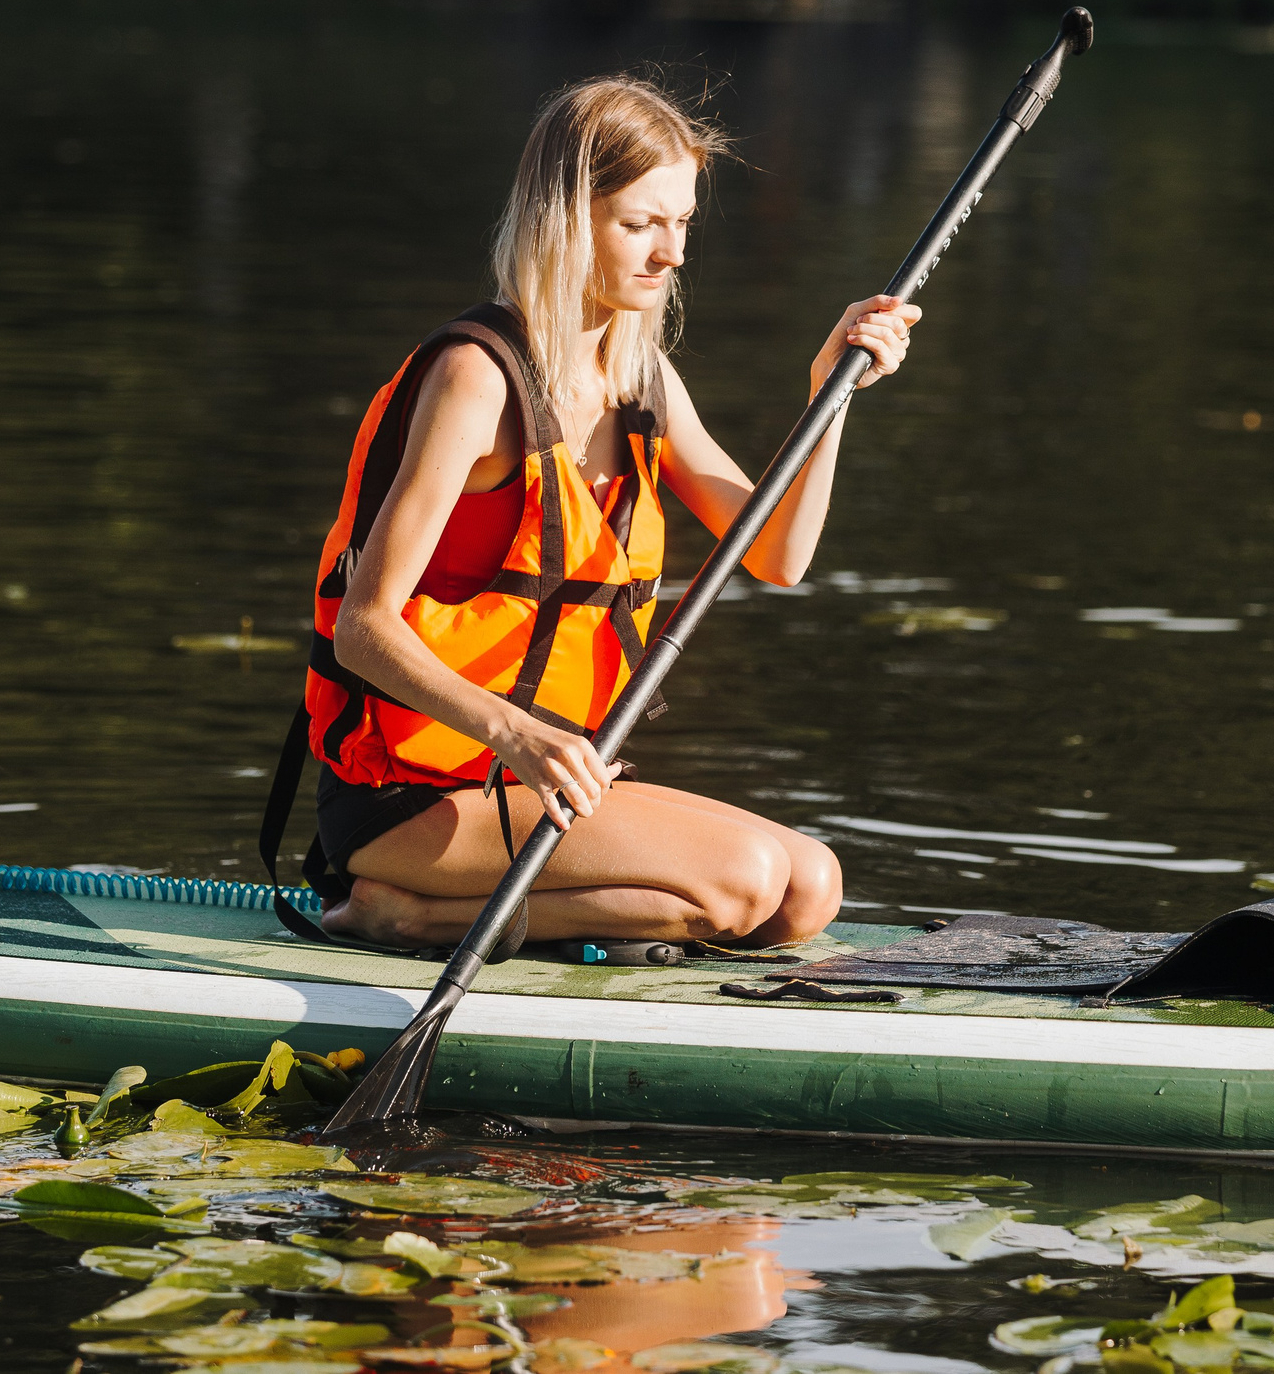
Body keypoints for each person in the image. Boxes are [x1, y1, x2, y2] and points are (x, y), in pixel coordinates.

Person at [299, 77, 910, 950]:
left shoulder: (643, 380)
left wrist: (833, 395)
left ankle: (419, 917)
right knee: (747, 880)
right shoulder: (478, 380)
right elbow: (364, 628)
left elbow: (779, 554)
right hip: (413, 798)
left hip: (535, 785)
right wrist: (514, 732)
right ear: (564, 218)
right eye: (640, 224)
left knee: (809, 888)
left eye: (684, 223)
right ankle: (399, 902)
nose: (672, 253)